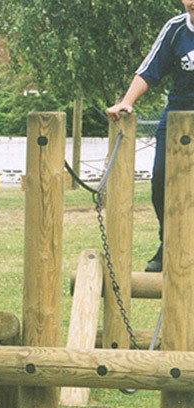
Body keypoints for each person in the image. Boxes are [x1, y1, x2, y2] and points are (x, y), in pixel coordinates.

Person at [107, 3, 194, 273]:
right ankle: (168, 243)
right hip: (178, 114)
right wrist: (126, 102)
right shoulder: (175, 29)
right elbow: (149, 70)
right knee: (160, 182)